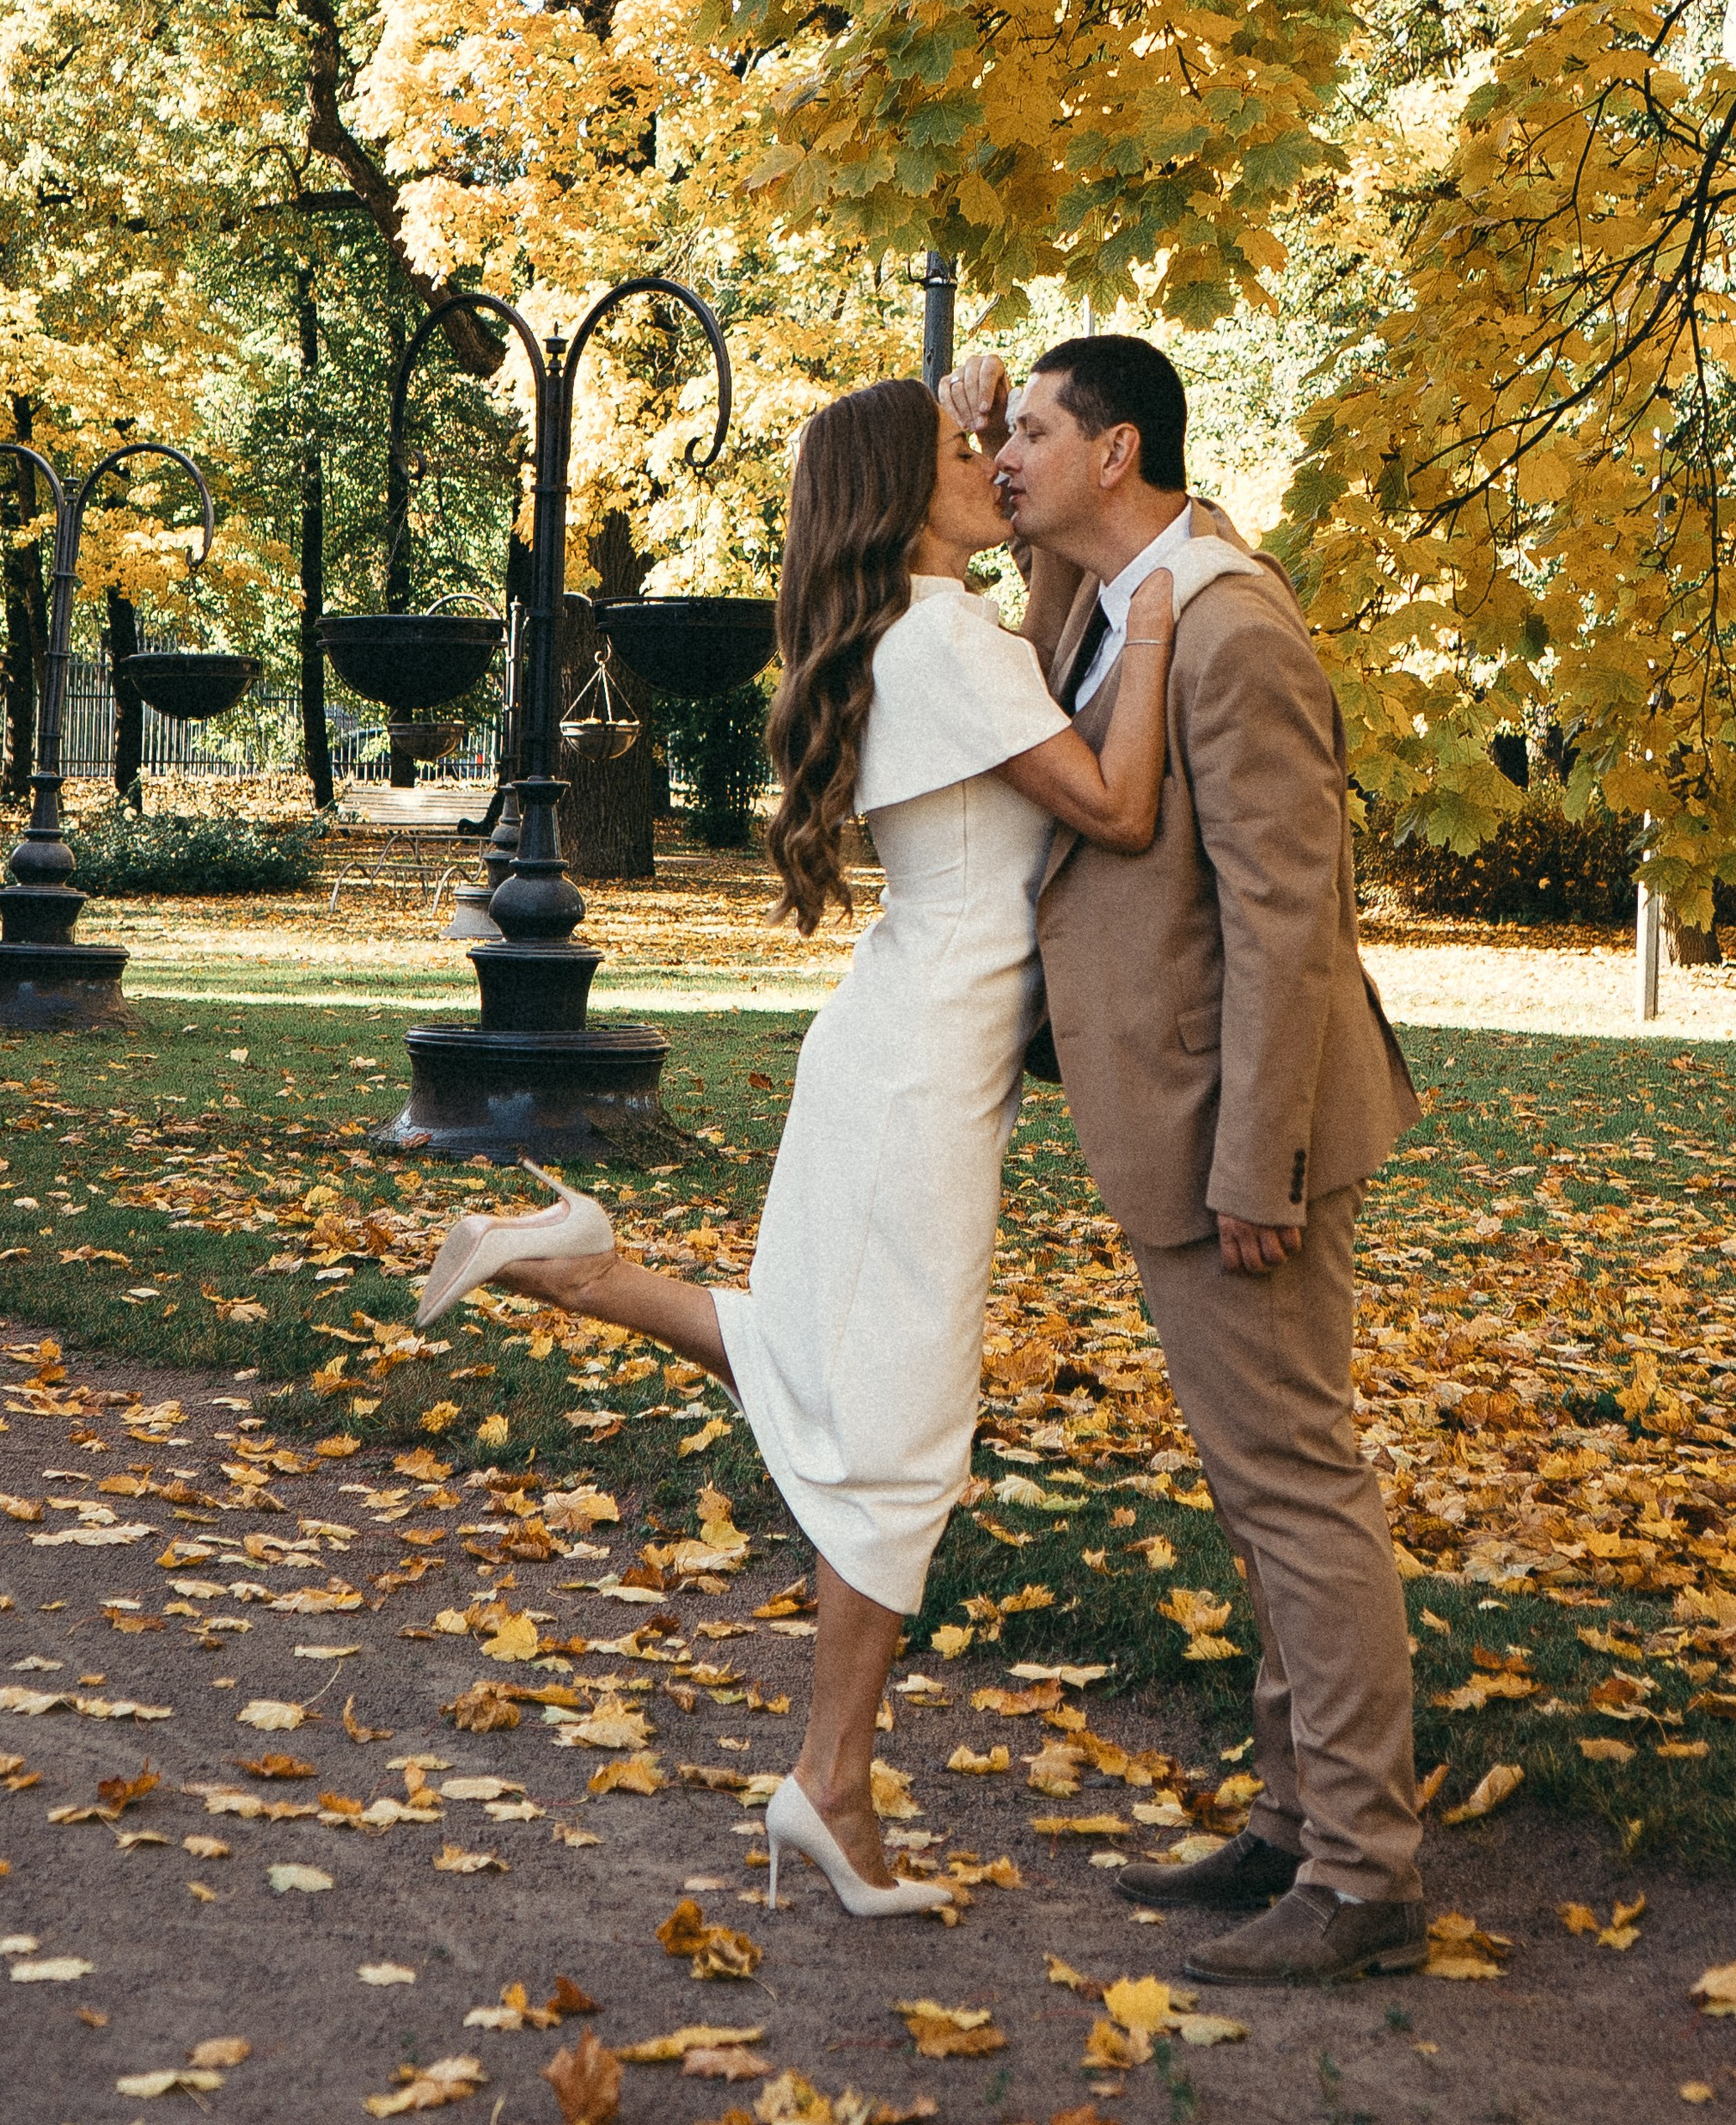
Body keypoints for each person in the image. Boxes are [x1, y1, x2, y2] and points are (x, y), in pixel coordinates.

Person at [412, 377, 1242, 1918]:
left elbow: (1038, 637)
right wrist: (1177, 589)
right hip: (916, 1076)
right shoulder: (946, 641)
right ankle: (831, 1786)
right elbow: (1122, 811)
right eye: (963, 451)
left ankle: (572, 1260)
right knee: (901, 1438)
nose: (996, 463)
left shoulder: (921, 632)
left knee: (821, 1363)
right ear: (898, 495)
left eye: (999, 441)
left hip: (898, 1053)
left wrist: (978, 433)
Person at [943, 333, 1428, 1985]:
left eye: (1035, 434)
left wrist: (1256, 1167)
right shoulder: (1106, 592)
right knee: (1257, 1486)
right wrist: (961, 427)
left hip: (1248, 1135)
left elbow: (1293, 919)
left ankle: (1361, 1871)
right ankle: (1295, 1822)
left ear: (1120, 452)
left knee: (1297, 1488)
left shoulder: (1225, 625)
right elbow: (957, 538)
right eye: (998, 437)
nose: (1006, 458)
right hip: (1179, 1116)